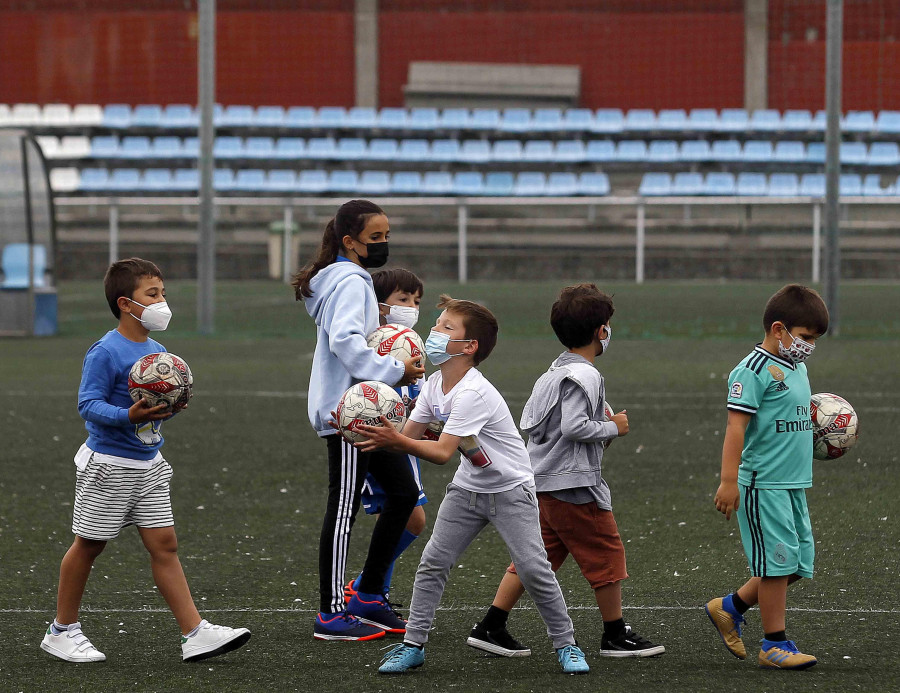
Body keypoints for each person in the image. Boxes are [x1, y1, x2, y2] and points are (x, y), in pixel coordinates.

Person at [353, 294, 590, 675]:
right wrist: (370, 428)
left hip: (511, 491)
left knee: (533, 569)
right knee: (432, 563)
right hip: (467, 491)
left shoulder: (473, 392)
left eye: (445, 328)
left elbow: (441, 451)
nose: (432, 332)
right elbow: (409, 436)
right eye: (436, 324)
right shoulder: (433, 385)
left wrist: (396, 440)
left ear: (469, 347)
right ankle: (413, 645)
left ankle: (567, 645)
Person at [41, 258, 251, 663]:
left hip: (149, 464)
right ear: (125, 303)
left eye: (163, 293)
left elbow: (154, 407)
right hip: (109, 466)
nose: (162, 302)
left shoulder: (157, 351)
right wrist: (128, 415)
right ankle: (62, 630)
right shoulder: (105, 350)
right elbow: (88, 405)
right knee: (89, 546)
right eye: (152, 295)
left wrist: (170, 406)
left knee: (165, 546)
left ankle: (195, 632)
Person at [468, 283, 665, 659]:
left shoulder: (554, 369)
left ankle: (491, 625)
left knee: (534, 558)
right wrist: (614, 428)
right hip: (572, 485)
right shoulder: (585, 374)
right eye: (607, 324)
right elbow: (574, 428)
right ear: (600, 332)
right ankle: (614, 634)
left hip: (541, 481)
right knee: (606, 554)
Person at [294, 200, 425, 641]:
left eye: (387, 235)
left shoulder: (349, 279)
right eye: (375, 237)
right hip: (351, 415)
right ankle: (331, 614)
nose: (383, 244)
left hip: (369, 412)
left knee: (404, 493)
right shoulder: (350, 281)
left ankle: (367, 594)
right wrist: (395, 370)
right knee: (343, 511)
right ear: (349, 242)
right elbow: (345, 341)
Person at [706, 284, 829, 670]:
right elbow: (735, 427)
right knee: (776, 566)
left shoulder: (798, 366)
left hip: (793, 484)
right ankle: (774, 645)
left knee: (796, 564)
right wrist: (728, 481)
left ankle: (731, 606)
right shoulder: (752, 370)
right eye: (806, 337)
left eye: (814, 339)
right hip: (762, 485)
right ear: (779, 329)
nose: (810, 346)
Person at [343, 268, 428, 604]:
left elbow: (414, 399)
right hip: (377, 442)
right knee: (410, 519)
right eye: (403, 300)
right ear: (380, 306)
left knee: (397, 519)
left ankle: (373, 592)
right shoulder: (373, 347)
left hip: (402, 442)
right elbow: (363, 397)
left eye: (416, 301)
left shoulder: (409, 346)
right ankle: (368, 587)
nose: (411, 307)